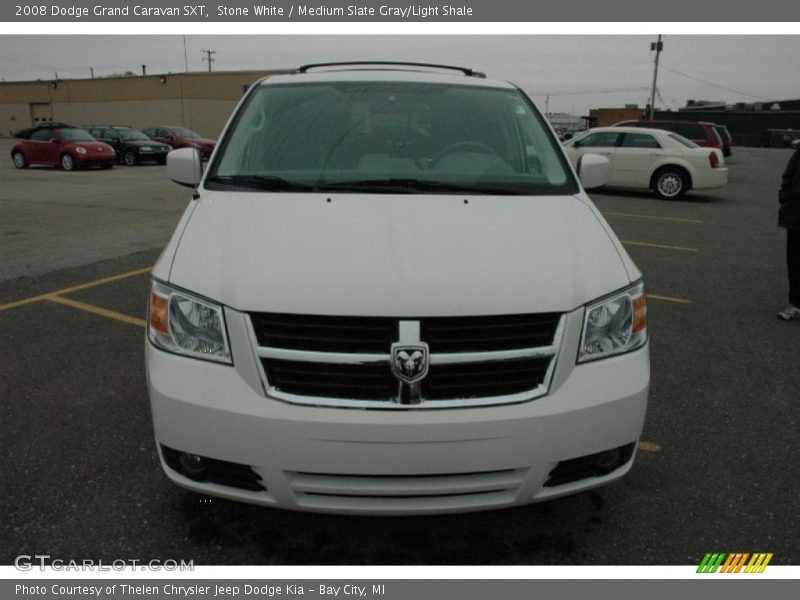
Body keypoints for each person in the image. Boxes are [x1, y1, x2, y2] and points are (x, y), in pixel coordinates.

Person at [778, 144, 800, 320]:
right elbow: (788, 176)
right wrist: (785, 197)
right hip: (796, 216)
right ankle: (795, 303)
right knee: (794, 262)